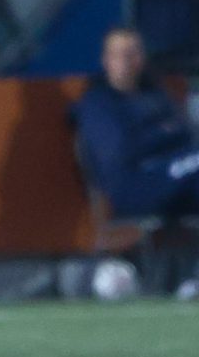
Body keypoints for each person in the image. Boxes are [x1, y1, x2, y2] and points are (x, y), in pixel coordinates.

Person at [73, 27, 199, 224]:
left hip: (172, 175)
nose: (125, 61)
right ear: (106, 60)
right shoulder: (97, 104)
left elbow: (184, 132)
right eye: (118, 54)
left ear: (141, 58)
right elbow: (119, 152)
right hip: (133, 187)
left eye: (132, 53)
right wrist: (162, 134)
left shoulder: (154, 95)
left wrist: (160, 135)